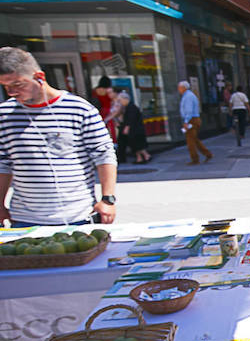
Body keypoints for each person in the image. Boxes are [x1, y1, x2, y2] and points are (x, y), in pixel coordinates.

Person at [0, 47, 117, 226]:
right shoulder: (5, 115)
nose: (11, 92)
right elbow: (3, 163)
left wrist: (108, 199)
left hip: (78, 216)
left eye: (18, 84)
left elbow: (104, 154)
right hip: (24, 218)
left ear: (39, 77)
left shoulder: (79, 109)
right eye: (6, 86)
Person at [178, 80, 212, 165]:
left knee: (190, 141)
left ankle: (195, 159)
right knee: (194, 139)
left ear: (183, 88)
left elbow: (189, 110)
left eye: (179, 87)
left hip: (191, 120)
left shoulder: (188, 96)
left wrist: (186, 122)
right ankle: (207, 154)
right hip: (193, 119)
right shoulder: (188, 95)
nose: (178, 89)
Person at [116, 92, 151, 164]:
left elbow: (131, 119)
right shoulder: (129, 107)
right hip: (135, 130)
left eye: (120, 100)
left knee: (137, 144)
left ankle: (144, 156)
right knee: (135, 145)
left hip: (135, 130)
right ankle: (140, 158)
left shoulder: (131, 107)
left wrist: (127, 127)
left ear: (125, 99)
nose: (120, 102)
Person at [92, 75, 117, 144]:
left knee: (102, 127)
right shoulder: (109, 90)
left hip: (101, 110)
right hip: (109, 110)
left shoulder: (95, 90)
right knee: (111, 127)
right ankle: (114, 142)